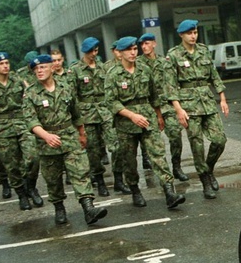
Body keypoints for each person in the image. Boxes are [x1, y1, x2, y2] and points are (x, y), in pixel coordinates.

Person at [22, 55, 108, 226]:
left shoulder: (66, 87)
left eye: (43, 67)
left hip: (70, 136)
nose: (39, 71)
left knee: (80, 172)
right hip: (47, 142)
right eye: (36, 69)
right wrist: (46, 136)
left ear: (52, 68)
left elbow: (76, 113)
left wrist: (82, 133)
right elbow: (31, 122)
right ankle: (59, 208)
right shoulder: (30, 94)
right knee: (53, 179)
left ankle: (88, 208)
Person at [104, 36, 186, 210]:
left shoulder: (144, 69)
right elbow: (111, 102)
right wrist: (131, 115)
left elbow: (154, 95)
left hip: (148, 117)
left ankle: (169, 192)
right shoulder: (113, 74)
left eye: (135, 49)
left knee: (158, 154)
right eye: (129, 50)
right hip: (126, 122)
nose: (134, 53)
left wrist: (158, 116)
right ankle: (135, 190)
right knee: (130, 160)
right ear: (120, 52)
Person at [165, 19, 229, 199]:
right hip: (188, 105)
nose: (193, 36)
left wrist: (222, 97)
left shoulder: (203, 50)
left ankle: (208, 169)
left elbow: (214, 75)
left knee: (219, 140)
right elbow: (169, 85)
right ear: (181, 35)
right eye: (189, 33)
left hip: (207, 102)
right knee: (197, 145)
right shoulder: (174, 55)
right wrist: (178, 109)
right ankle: (205, 181)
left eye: (195, 32)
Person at [65, 37, 125, 197]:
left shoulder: (103, 67)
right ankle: (100, 181)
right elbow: (72, 96)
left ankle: (119, 179)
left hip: (105, 111)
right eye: (90, 51)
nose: (93, 54)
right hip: (87, 114)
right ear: (84, 52)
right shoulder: (75, 70)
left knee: (117, 145)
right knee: (93, 150)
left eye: (96, 50)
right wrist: (76, 120)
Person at [0, 52, 43, 210]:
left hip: (22, 122)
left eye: (7, 63)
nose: (5, 66)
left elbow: (29, 99)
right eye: (1, 64)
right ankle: (21, 195)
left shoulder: (17, 80)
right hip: (1, 128)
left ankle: (31, 187)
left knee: (33, 157)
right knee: (11, 166)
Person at [137, 33, 189, 182]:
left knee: (175, 135)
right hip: (149, 108)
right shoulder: (138, 64)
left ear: (154, 44)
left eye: (147, 43)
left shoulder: (163, 62)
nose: (144, 47)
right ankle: (162, 172)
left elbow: (171, 82)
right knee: (154, 143)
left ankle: (176, 167)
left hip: (166, 105)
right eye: (142, 44)